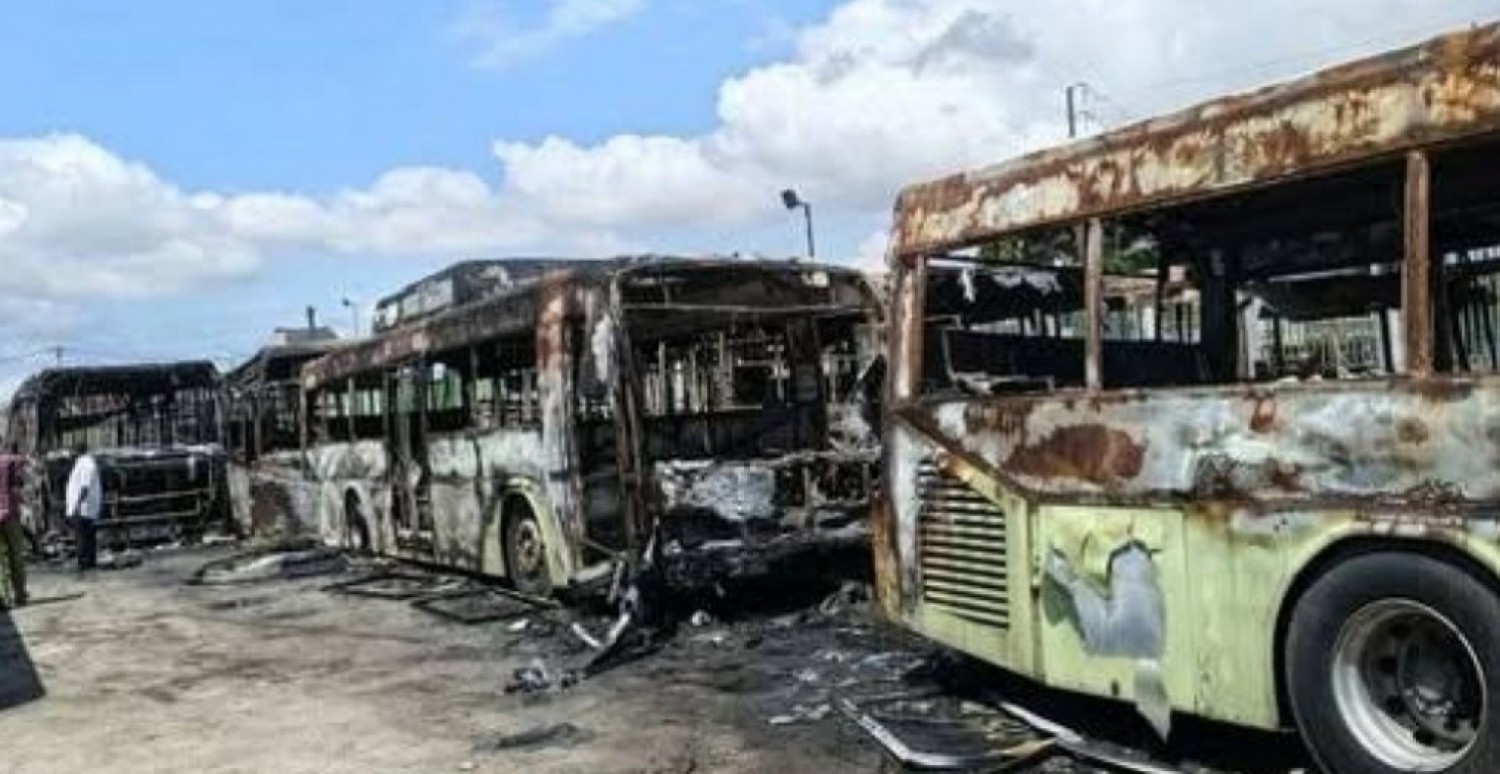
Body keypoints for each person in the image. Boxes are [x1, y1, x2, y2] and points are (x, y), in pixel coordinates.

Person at [65, 443, 102, 572]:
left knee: (82, 539)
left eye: (72, 450)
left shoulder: (86, 464)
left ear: (77, 450)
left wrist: (77, 505)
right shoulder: (82, 463)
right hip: (84, 508)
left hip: (83, 509)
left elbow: (85, 487)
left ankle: (84, 566)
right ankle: (89, 566)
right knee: (87, 539)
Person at [0, 442, 28, 607]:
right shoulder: (9, 460)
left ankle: (3, 597)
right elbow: (25, 462)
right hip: (10, 515)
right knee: (16, 556)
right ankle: (19, 595)